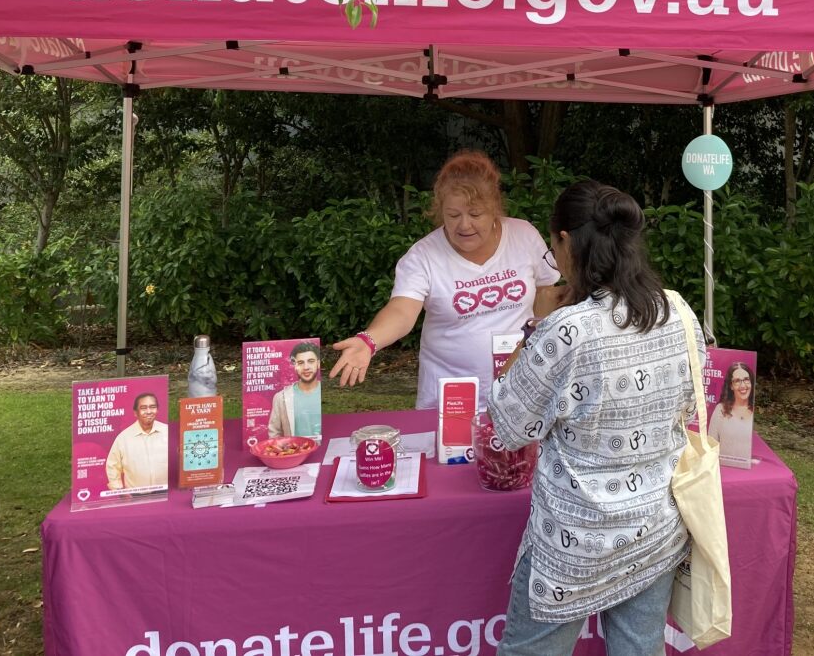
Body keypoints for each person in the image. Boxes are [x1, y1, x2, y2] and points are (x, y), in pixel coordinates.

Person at [487, 180, 704, 656]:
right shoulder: (678, 310)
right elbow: (690, 403)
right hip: (655, 526)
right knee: (640, 648)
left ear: (566, 241)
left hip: (573, 542)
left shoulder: (566, 329)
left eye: (551, 248)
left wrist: (532, 330)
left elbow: (508, 427)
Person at [330, 151, 562, 410]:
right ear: (440, 210)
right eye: (453, 215)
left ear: (495, 208)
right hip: (451, 397)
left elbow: (547, 292)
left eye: (475, 214)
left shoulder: (524, 235)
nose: (464, 225)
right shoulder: (423, 256)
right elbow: (402, 311)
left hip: (519, 388)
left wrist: (539, 341)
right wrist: (369, 340)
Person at [105, 392, 168, 490]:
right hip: (136, 495)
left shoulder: (167, 431)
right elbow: (112, 465)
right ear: (135, 412)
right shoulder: (123, 438)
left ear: (157, 409)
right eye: (143, 408)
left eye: (152, 407)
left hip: (166, 492)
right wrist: (119, 491)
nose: (149, 411)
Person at [268, 341, 322, 439]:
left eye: (311, 361)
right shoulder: (281, 397)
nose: (306, 367)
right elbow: (274, 433)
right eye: (300, 363)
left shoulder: (325, 393)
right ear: (294, 366)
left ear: (318, 363)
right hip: (296, 451)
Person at [707, 362, 755, 463]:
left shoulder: (755, 411)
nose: (743, 385)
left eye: (746, 379)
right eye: (737, 381)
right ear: (731, 386)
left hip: (747, 467)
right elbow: (710, 445)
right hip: (723, 466)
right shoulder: (720, 410)